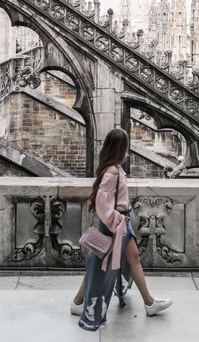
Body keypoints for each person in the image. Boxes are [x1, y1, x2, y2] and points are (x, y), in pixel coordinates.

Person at [71, 128, 172, 331]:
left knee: (127, 258)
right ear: (120, 148)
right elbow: (101, 201)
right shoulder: (112, 172)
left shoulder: (114, 167)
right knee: (100, 264)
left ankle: (148, 302)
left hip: (120, 224)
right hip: (115, 226)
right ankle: (80, 303)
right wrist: (115, 219)